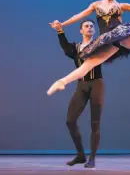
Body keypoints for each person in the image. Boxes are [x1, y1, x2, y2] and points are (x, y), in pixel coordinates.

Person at [52, 20, 104, 168]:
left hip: (96, 84)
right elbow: (66, 49)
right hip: (82, 85)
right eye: (86, 26)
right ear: (81, 30)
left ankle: (92, 158)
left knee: (95, 123)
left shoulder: (99, 44)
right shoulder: (76, 48)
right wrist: (59, 31)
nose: (89, 28)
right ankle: (81, 155)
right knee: (70, 120)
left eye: (91, 26)